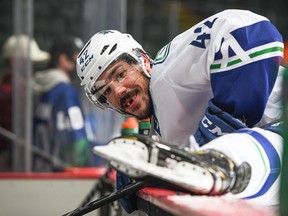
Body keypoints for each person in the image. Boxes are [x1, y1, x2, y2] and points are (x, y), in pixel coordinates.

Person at [76, 9, 284, 213]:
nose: (118, 91)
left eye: (120, 74)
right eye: (106, 93)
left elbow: (252, 32)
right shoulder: (160, 123)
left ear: (144, 61)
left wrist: (221, 124)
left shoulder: (166, 73)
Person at [32, 35, 93, 171]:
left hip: (39, 171)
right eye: (78, 60)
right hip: (62, 176)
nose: (81, 66)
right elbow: (77, 147)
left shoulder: (40, 89)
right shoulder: (65, 92)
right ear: (64, 60)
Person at [0, 34, 50, 172]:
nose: (32, 66)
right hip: (11, 167)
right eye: (29, 61)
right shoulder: (9, 92)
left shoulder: (23, 89)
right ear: (13, 61)